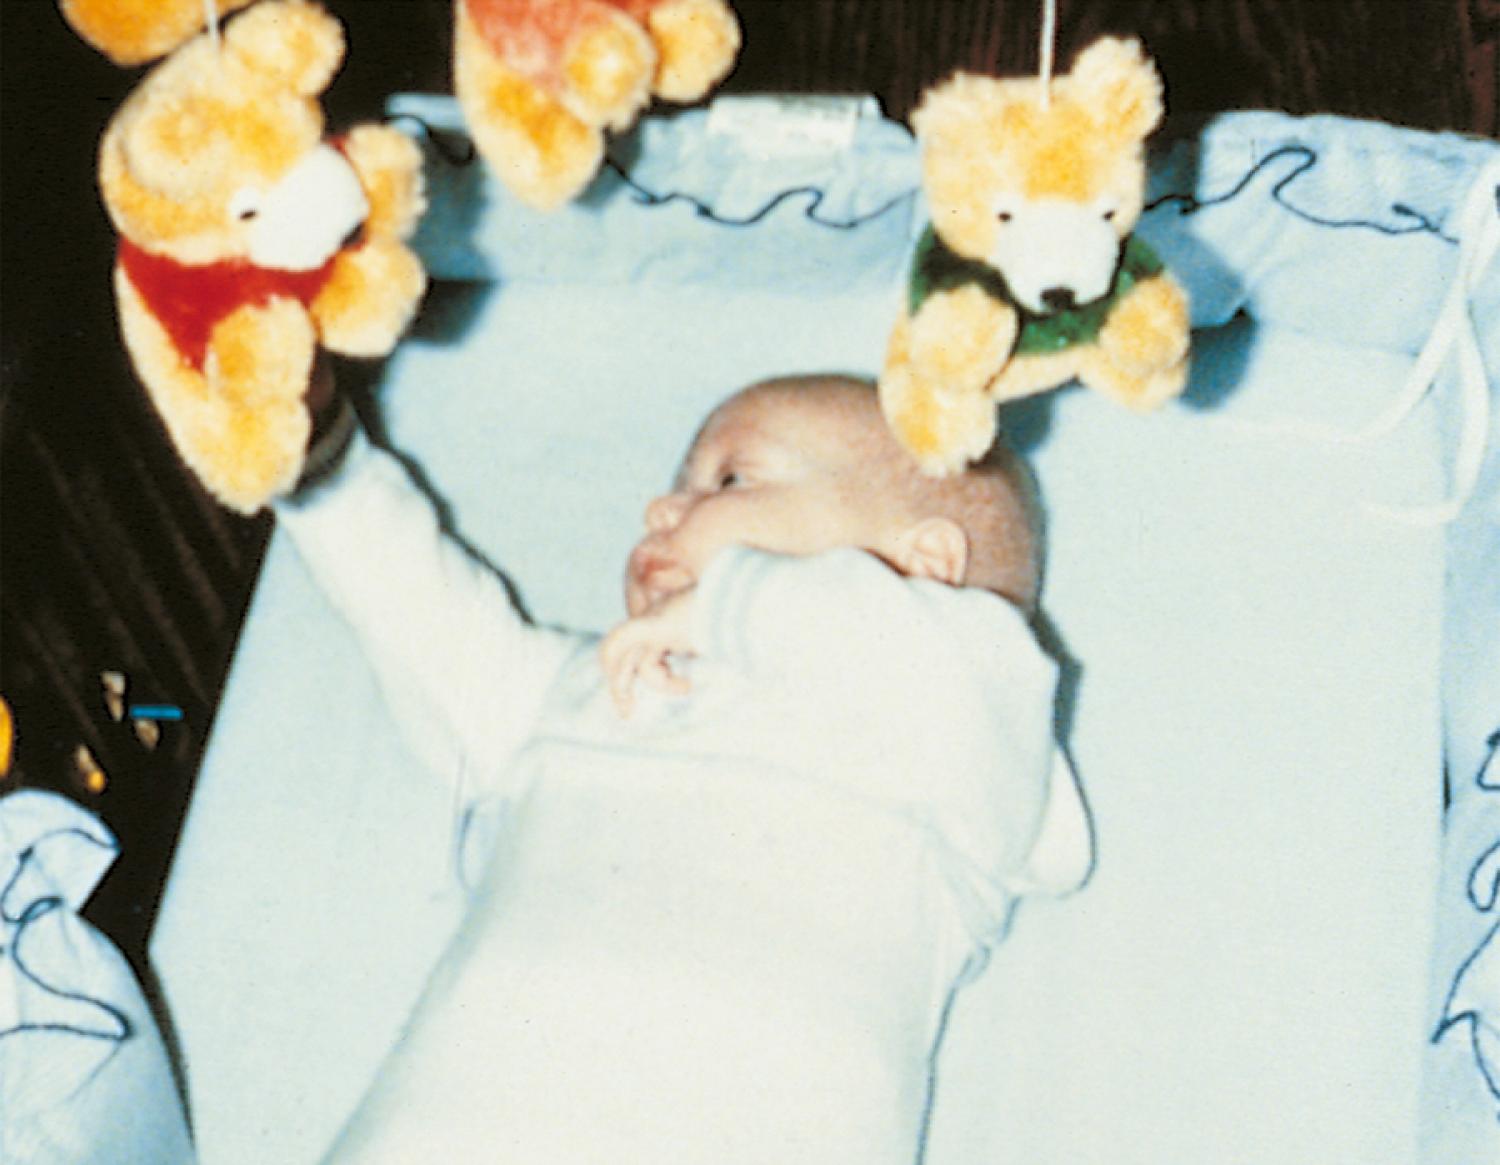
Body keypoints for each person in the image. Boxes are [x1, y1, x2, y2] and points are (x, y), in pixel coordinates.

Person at [281, 373, 1090, 1164]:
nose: (662, 509)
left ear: (927, 566)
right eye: (679, 484)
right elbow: (427, 620)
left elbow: (972, 660)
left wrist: (730, 606)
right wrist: (323, 460)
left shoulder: (949, 738)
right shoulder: (586, 686)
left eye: (730, 477)